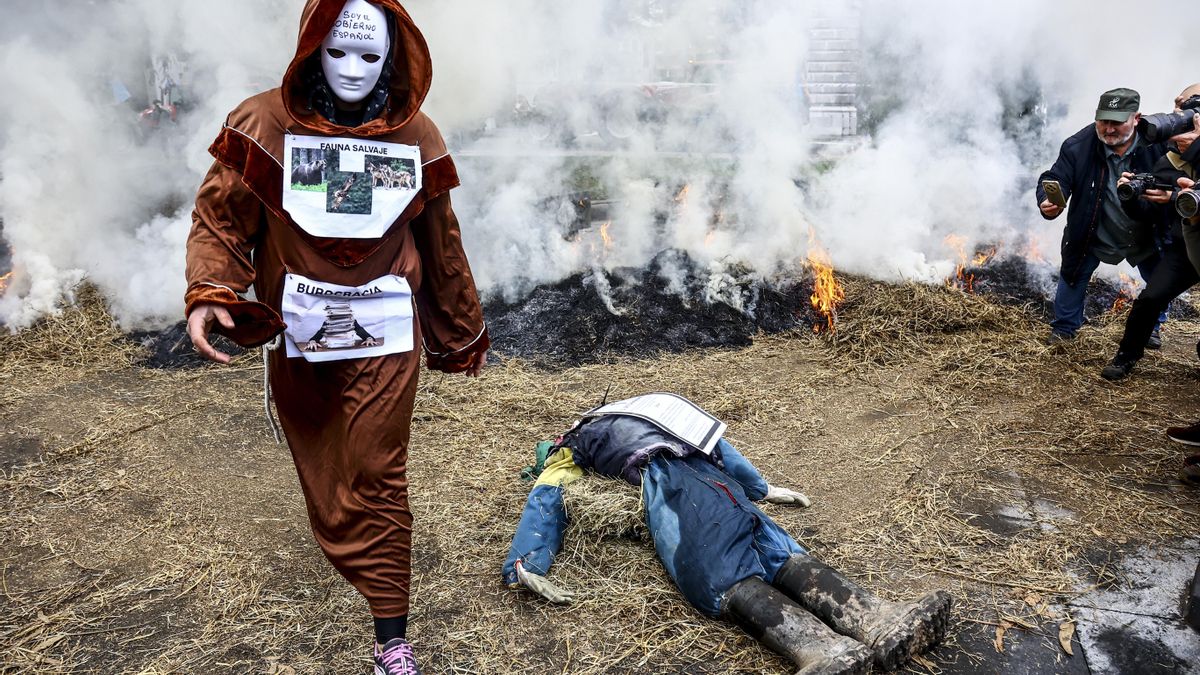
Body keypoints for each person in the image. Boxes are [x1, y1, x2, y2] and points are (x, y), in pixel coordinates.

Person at [184, 1, 489, 673]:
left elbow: (441, 247)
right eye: (338, 51)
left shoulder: (417, 137)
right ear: (312, 47)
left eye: (370, 56)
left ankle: (392, 642)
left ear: (395, 56)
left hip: (385, 340)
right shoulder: (262, 123)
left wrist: (459, 330)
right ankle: (348, 545)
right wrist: (211, 292)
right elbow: (222, 219)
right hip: (302, 341)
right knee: (329, 473)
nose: (353, 69)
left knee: (379, 473)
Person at [503, 395, 952, 674]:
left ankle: (824, 649)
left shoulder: (575, 445)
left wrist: (525, 563)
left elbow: (545, 502)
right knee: (773, 546)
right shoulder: (652, 408)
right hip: (722, 485)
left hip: (675, 489)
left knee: (719, 569)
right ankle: (880, 619)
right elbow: (718, 447)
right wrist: (761, 489)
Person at [1036, 87, 1169, 344]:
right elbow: (1054, 178)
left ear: (1136, 119)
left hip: (1146, 231)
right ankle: (1064, 328)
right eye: (1103, 120)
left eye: (1117, 122)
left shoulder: (1160, 145)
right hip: (1092, 230)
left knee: (1159, 282)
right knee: (1073, 274)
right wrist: (1048, 198)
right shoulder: (1077, 146)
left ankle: (1150, 328)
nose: (1108, 129)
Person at [1101, 86, 1200, 380]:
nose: (1180, 118)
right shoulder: (1170, 159)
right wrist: (1129, 198)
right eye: (1180, 108)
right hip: (1186, 247)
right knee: (1149, 299)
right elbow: (1151, 214)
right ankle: (1126, 357)